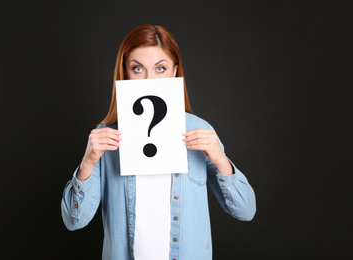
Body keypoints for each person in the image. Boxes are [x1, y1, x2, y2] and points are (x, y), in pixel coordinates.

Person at [61, 24, 256, 260]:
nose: (149, 79)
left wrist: (220, 159)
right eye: (138, 68)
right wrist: (88, 162)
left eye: (160, 68)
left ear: (174, 71)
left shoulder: (200, 130)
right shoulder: (105, 138)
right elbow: (74, 221)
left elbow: (246, 211)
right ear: (125, 72)